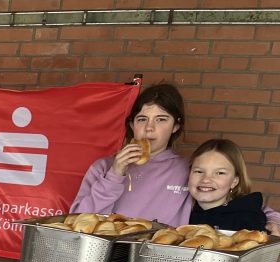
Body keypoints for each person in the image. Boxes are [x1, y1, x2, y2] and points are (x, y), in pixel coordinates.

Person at [70, 83, 192, 227]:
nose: (149, 128)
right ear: (132, 125)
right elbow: (77, 222)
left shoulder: (190, 170)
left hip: (160, 242)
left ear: (175, 126)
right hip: (109, 241)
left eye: (161, 119)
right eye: (142, 119)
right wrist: (114, 176)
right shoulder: (103, 167)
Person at [187, 138, 280, 233]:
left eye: (220, 173)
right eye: (198, 171)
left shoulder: (248, 220)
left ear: (234, 181)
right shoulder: (183, 210)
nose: (206, 179)